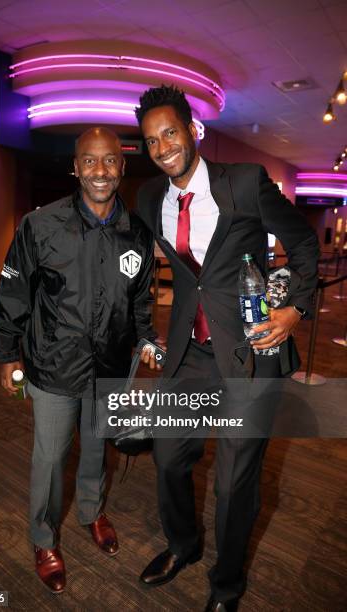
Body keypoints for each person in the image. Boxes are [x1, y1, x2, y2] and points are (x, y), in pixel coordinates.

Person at [135, 86, 320, 611]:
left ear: (192, 130)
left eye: (170, 132)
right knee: (169, 459)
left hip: (252, 352)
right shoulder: (151, 198)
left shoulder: (243, 181)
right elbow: (147, 268)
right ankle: (183, 547)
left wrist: (294, 309)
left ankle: (226, 585)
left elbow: (303, 244)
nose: (163, 147)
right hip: (190, 352)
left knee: (233, 487)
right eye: (150, 141)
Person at [0, 127, 156, 593]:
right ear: (74, 166)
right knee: (49, 457)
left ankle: (91, 511)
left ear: (122, 167)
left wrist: (146, 342)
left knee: (96, 445)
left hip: (110, 367)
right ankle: (43, 538)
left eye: (109, 162)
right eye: (89, 161)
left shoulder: (137, 232)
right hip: (53, 365)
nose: (99, 171)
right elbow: (13, 292)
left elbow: (142, 300)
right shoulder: (40, 225)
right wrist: (7, 354)